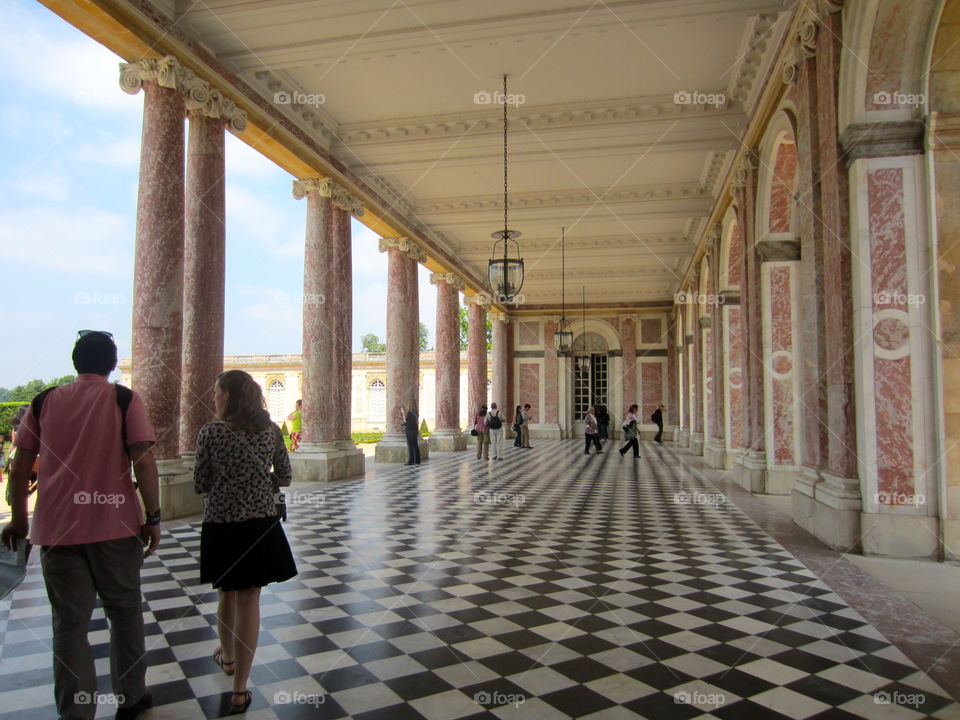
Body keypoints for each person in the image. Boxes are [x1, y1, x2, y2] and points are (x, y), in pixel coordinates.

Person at [1, 330, 161, 720]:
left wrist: (20, 517)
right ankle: (131, 695)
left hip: (57, 529)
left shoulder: (44, 402)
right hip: (116, 526)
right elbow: (143, 459)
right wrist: (153, 517)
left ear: (76, 362)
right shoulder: (124, 399)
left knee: (69, 624)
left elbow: (20, 466)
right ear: (112, 364)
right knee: (124, 613)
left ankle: (76, 710)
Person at [194, 370, 298, 714]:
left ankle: (227, 658)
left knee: (226, 591)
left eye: (217, 391)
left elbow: (200, 483)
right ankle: (240, 689)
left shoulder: (210, 432)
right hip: (259, 524)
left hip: (222, 524)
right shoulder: (269, 430)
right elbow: (284, 475)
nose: (214, 397)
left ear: (227, 396)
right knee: (249, 600)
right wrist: (260, 478)